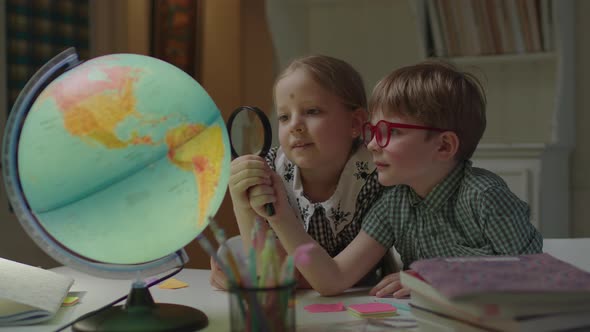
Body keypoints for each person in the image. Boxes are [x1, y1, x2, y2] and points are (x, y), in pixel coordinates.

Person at [246, 61, 543, 297]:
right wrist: (281, 216)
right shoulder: (394, 205)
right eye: (373, 132)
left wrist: (436, 277)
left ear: (443, 146)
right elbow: (332, 279)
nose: (373, 144)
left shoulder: (484, 195)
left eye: (391, 132)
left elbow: (532, 272)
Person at [209, 55, 389, 290]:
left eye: (312, 111)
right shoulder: (271, 167)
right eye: (284, 116)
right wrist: (242, 204)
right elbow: (272, 276)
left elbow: (333, 277)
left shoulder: (379, 178)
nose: (295, 125)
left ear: (355, 124)